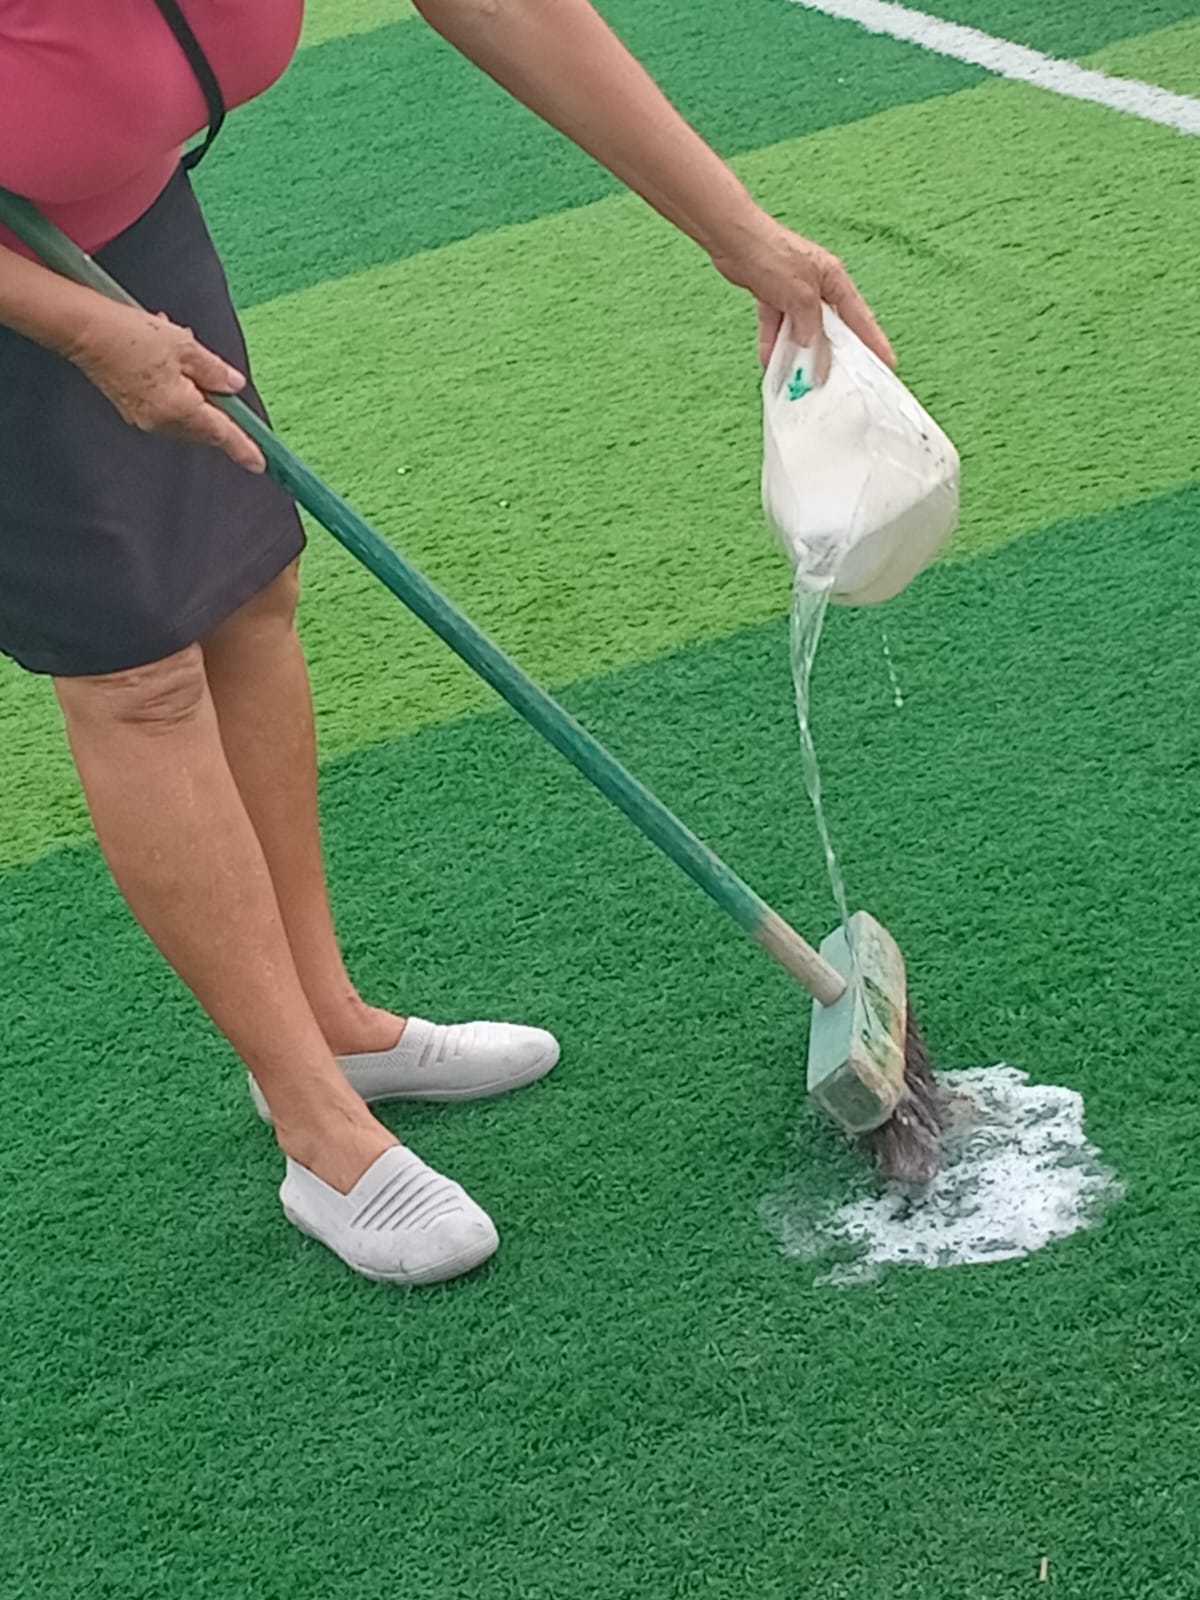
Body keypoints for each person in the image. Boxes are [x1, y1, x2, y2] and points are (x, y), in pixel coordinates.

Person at [0, 0, 894, 1287]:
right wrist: (86, 329)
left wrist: (743, 236)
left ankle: (329, 1020)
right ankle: (316, 1126)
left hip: (116, 209)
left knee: (248, 589)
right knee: (135, 672)